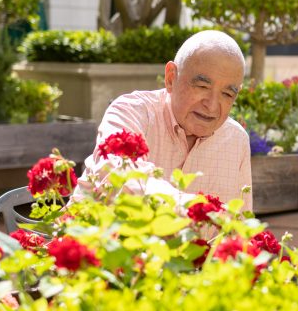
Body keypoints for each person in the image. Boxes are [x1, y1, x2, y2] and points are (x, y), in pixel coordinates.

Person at [73, 30, 252, 209]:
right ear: (171, 77)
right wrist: (191, 208)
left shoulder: (236, 140)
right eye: (202, 86)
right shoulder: (131, 112)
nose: (212, 106)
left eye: (227, 94)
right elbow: (115, 174)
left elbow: (240, 225)